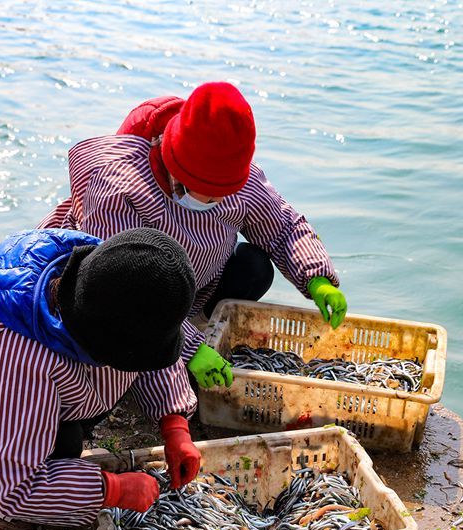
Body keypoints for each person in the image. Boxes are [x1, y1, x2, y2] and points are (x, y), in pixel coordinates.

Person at [38, 82, 347, 390]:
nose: (209, 202)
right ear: (171, 161)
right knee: (118, 339)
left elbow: (283, 226)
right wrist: (188, 348)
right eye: (194, 190)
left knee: (254, 266)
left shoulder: (243, 181)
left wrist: (316, 278)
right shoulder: (120, 186)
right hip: (111, 298)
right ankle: (166, 357)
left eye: (219, 196)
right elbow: (121, 289)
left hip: (191, 289)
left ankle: (192, 336)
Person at [0, 227, 201, 530]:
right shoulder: (19, 358)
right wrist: (112, 489)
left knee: (65, 435)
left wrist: (175, 425)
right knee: (58, 446)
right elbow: (9, 482)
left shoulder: (102, 275)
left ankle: (59, 470)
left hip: (24, 404)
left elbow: (151, 345)